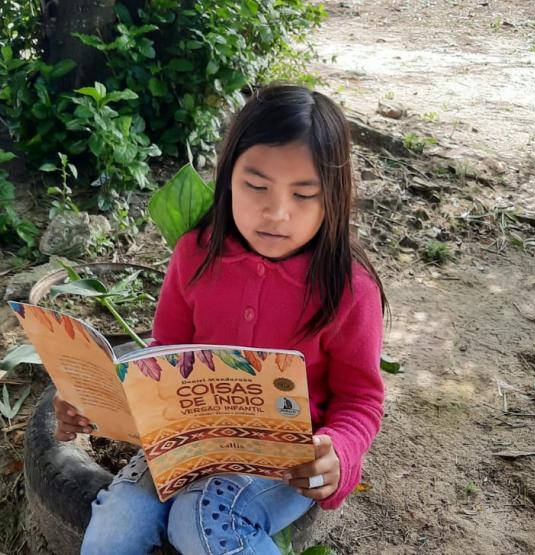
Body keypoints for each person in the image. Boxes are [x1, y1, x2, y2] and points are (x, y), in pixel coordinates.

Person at [54, 84, 387, 555]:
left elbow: (361, 399)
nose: (277, 213)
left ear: (334, 196)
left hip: (284, 463)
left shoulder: (348, 287)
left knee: (203, 517)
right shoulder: (195, 253)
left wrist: (339, 454)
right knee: (115, 528)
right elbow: (165, 357)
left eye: (305, 194)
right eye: (256, 186)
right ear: (228, 176)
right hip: (182, 447)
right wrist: (95, 401)